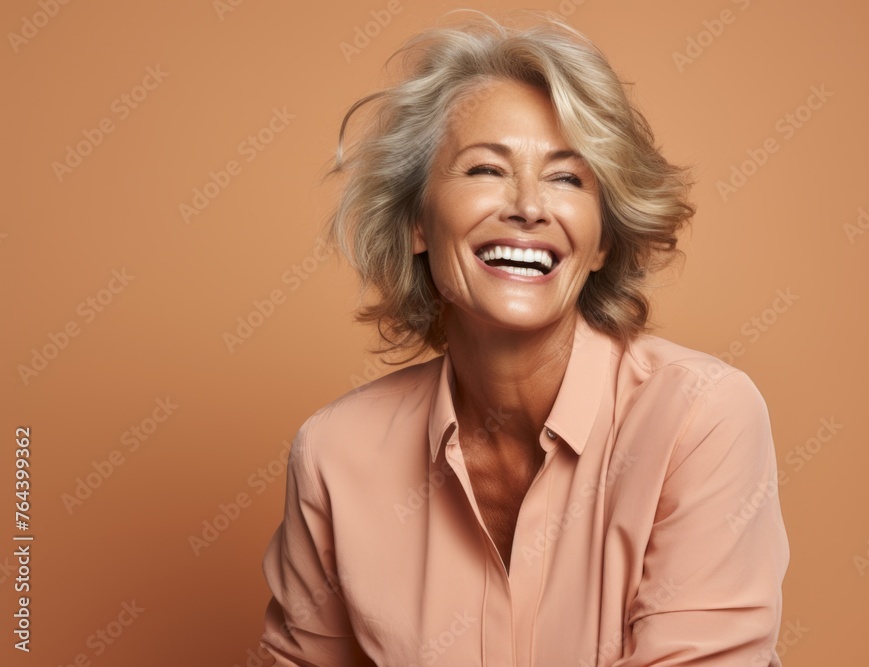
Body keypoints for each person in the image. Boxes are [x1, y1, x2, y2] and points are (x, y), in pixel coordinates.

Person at [259, 9, 789, 666]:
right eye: (487, 169)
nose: (529, 205)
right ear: (419, 222)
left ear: (600, 242)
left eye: (568, 177)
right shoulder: (335, 457)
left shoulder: (700, 419)